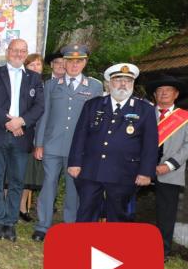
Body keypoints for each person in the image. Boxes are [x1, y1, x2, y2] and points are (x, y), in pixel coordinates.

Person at [68, 63, 158, 223]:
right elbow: (80, 136)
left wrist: (146, 172)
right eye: (118, 80)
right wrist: (75, 162)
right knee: (86, 212)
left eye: (128, 81)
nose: (123, 84)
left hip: (124, 172)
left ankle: (114, 247)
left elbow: (150, 144)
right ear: (109, 83)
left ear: (133, 84)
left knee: (118, 216)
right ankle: (82, 246)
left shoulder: (145, 109)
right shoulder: (93, 105)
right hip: (91, 170)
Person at [30, 45, 103, 241]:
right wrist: (39, 143)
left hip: (78, 149)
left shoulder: (95, 87)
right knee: (48, 184)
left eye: (79, 61)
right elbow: (43, 116)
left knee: (73, 189)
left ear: (85, 62)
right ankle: (42, 226)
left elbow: (97, 121)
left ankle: (70, 227)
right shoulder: (52, 85)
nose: (74, 65)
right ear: (65, 62)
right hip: (52, 145)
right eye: (70, 61)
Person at [0, 38, 44, 242]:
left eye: (22, 51)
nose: (18, 54)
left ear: (26, 54)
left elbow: (39, 107)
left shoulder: (34, 78)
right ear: (7, 52)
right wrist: (9, 123)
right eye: (15, 50)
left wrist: (20, 122)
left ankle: (10, 222)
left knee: (16, 181)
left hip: (21, 136)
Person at [145, 75, 188, 261]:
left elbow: (187, 145)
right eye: (160, 90)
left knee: (166, 211)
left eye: (168, 90)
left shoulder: (184, 118)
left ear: (176, 94)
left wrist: (169, 165)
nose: (163, 93)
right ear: (154, 94)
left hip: (170, 170)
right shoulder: (144, 113)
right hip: (140, 168)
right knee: (124, 203)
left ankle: (162, 251)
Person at [20, 53, 45, 222]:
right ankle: (11, 204)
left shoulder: (47, 86)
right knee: (16, 172)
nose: (35, 68)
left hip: (40, 135)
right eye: (31, 65)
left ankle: (22, 207)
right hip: (22, 132)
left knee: (29, 176)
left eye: (38, 64)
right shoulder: (20, 83)